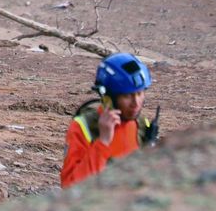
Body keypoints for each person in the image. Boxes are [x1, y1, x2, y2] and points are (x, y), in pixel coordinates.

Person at [61, 53, 159, 188]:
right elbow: (70, 185)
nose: (136, 103)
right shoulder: (84, 127)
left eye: (139, 93)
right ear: (108, 97)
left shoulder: (142, 125)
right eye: (127, 96)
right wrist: (103, 142)